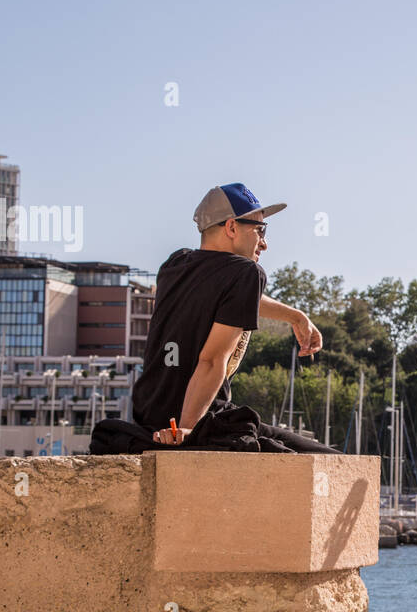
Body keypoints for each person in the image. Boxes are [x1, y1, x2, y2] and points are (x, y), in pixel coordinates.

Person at [129, 182, 335, 453]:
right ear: (231, 227)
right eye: (260, 230)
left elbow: (232, 298)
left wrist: (296, 317)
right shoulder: (246, 273)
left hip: (149, 418)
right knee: (332, 463)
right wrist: (187, 431)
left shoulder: (175, 265)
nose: (264, 243)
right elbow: (212, 360)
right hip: (202, 419)